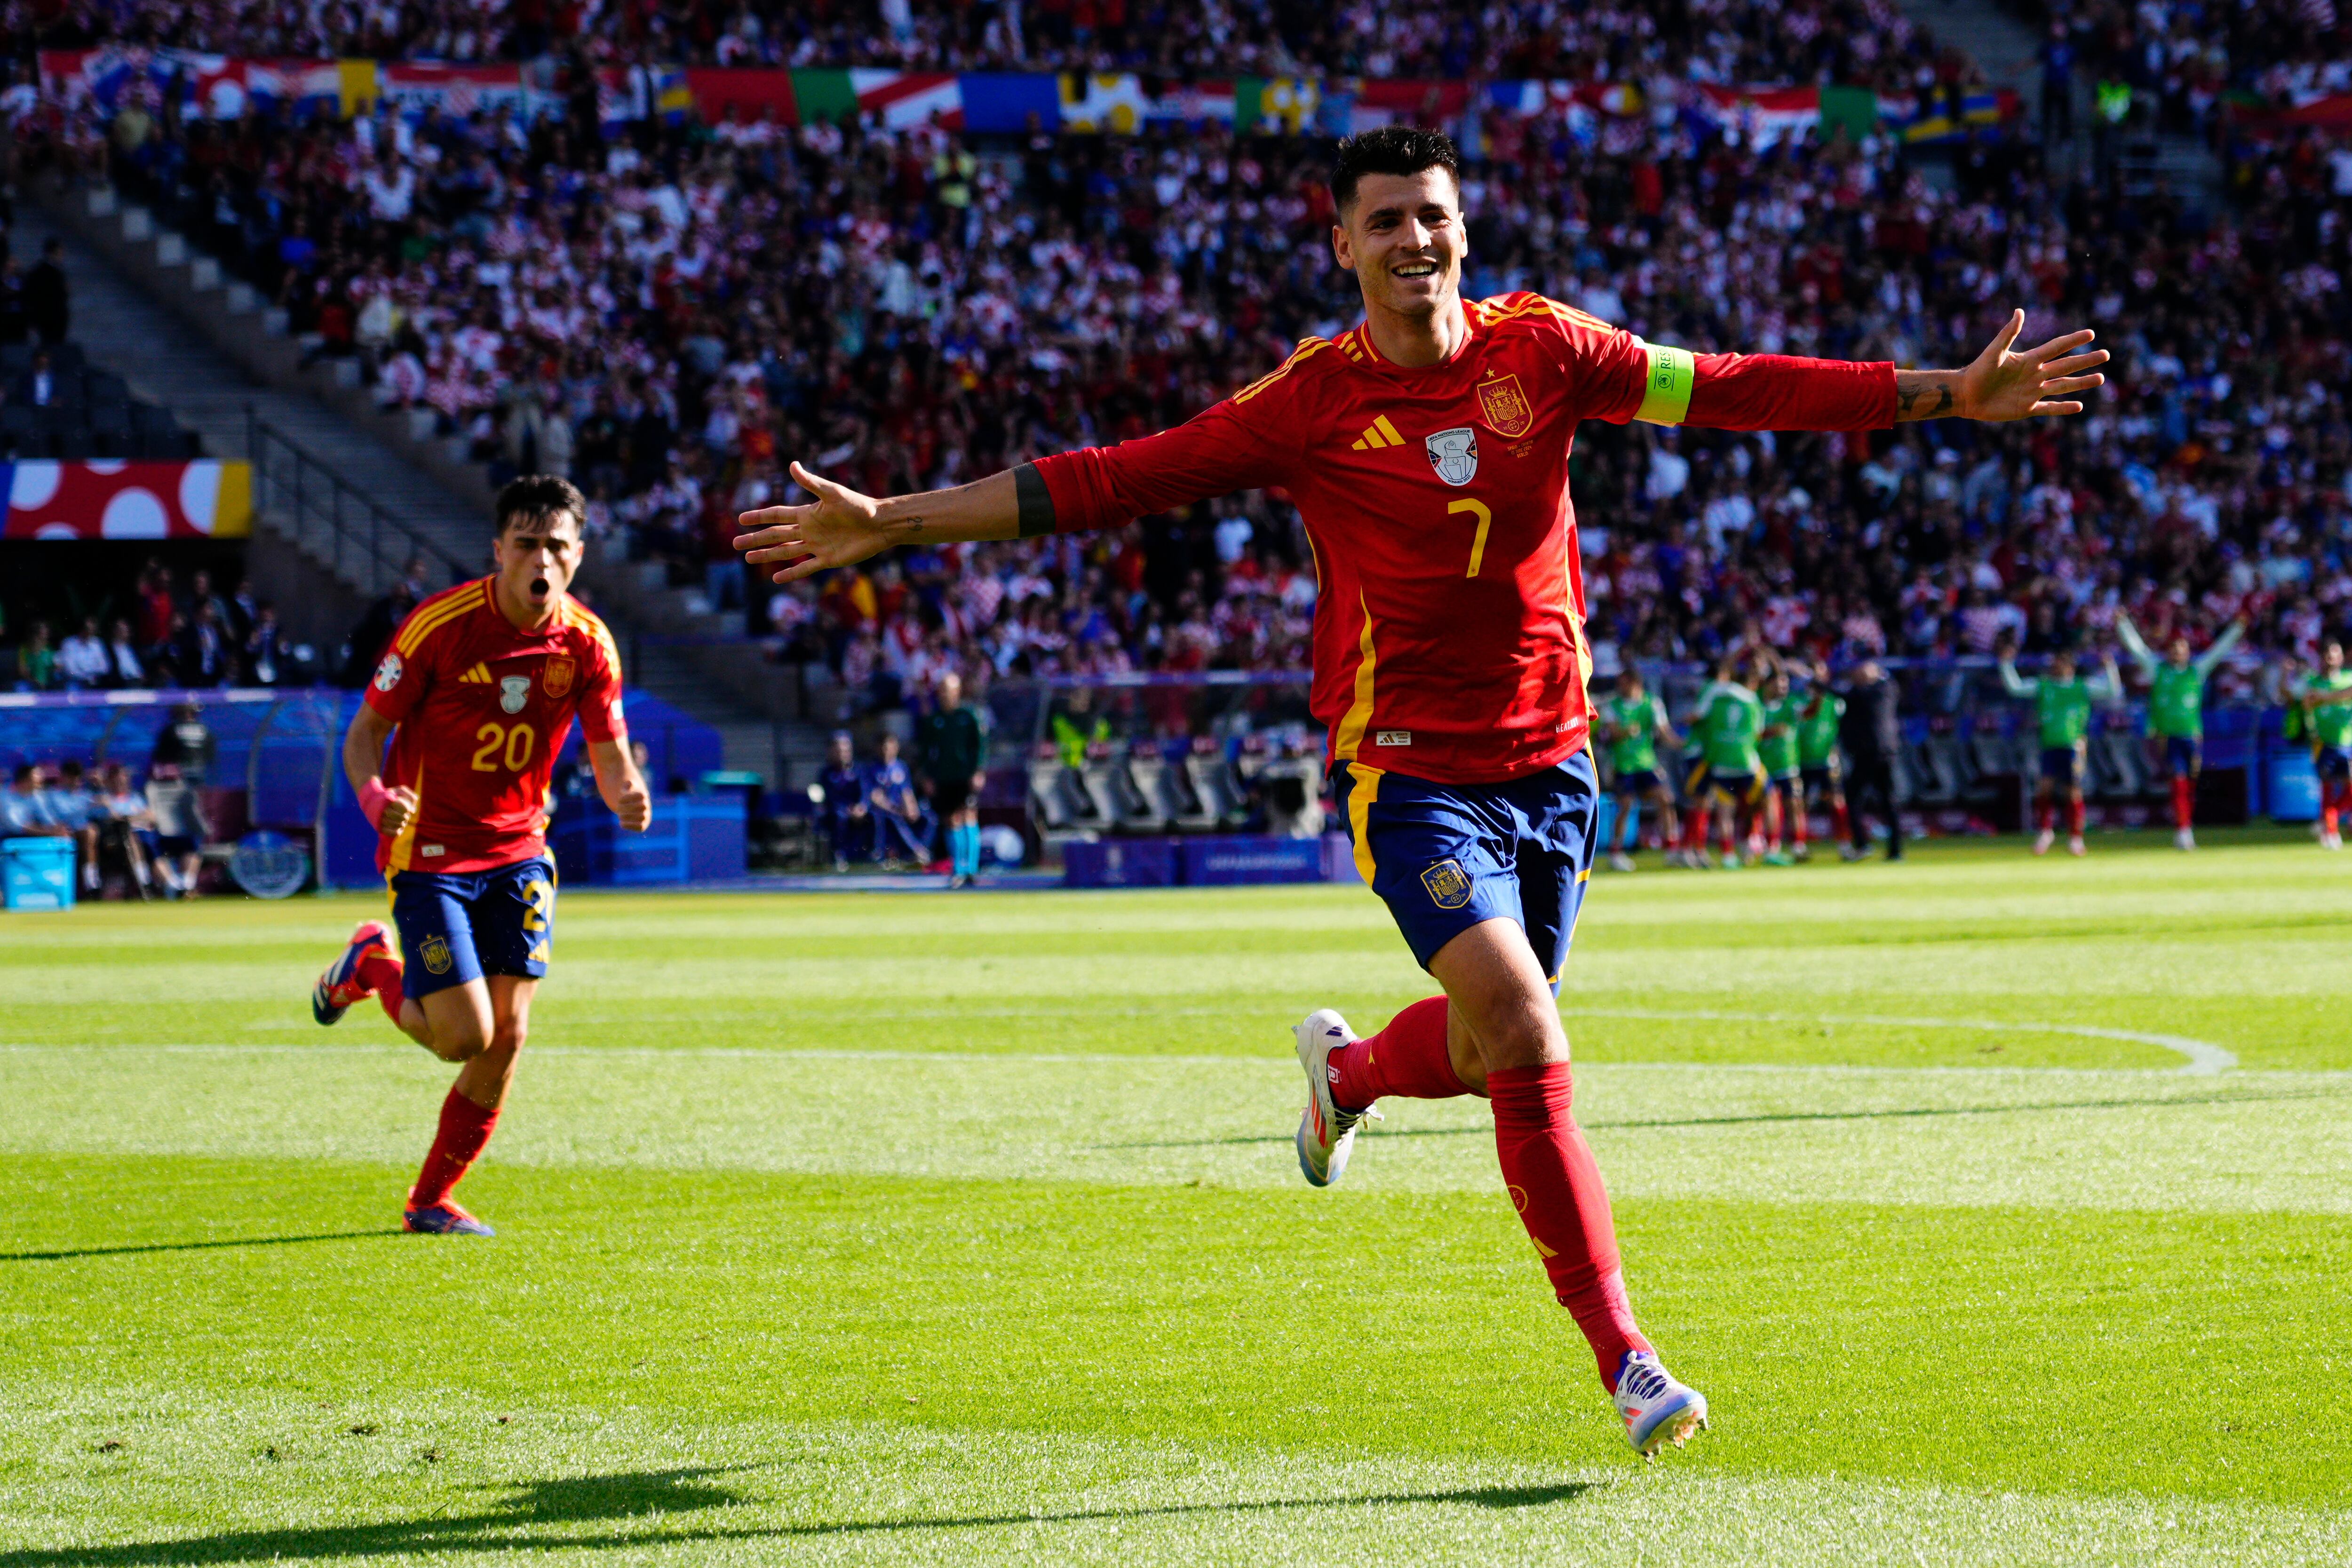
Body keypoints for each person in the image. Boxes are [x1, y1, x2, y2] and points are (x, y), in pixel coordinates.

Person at [733, 125, 2105, 1458]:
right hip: (1406, 769)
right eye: (1382, 219)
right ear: (1341, 244)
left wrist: (1944, 390)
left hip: (1552, 760)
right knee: (1525, 1025)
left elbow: (1735, 382)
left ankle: (1344, 1071)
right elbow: (1106, 481)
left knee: (1487, 1044)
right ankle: (1625, 1355)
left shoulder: (1547, 351)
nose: (1412, 238)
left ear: (1463, 228)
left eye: (1429, 214)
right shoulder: (1306, 403)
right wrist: (895, 521)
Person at [308, 476, 651, 1237]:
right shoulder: (441, 626)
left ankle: (431, 1198)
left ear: (579, 555)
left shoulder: (589, 643)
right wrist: (373, 801)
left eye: (556, 545)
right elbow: (365, 733)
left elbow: (611, 753)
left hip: (522, 851)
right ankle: (370, 962)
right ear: (498, 550)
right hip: (429, 849)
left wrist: (629, 791)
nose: (542, 558)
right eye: (526, 544)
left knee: (511, 1033)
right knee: (463, 1037)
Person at [2117, 614, 2244, 851]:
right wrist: (2124, 625)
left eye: (2182, 649)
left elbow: (2218, 652)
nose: (2177, 653)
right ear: (2168, 652)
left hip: (2192, 736)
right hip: (2169, 737)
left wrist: (2237, 628)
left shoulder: (2196, 672)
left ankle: (2185, 826)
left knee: (2190, 785)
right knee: (2178, 781)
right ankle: (2183, 830)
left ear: (2187, 652)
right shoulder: (2158, 671)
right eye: (2174, 649)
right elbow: (2138, 650)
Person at [1999, 641, 2121, 856]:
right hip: (2049, 746)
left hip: (2074, 746)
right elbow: (2015, 688)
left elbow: (2112, 690)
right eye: (2054, 664)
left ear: (2070, 666)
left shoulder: (2082, 687)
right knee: (2044, 788)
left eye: (2060, 664)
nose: (2055, 668)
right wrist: (2006, 663)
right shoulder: (2044, 686)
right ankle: (2046, 831)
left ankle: (2076, 837)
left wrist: (2110, 667)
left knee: (2073, 792)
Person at [1597, 667, 1681, 872]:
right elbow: (1612, 733)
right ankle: (1616, 852)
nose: (1620, 686)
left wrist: (1681, 744)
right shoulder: (1613, 706)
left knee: (1666, 799)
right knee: (1625, 805)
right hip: (1623, 765)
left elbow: (1664, 731)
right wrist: (1626, 731)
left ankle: (1672, 849)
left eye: (1624, 682)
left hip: (1646, 763)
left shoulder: (1652, 703)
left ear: (1635, 683)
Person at [1692, 654, 1770, 869]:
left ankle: (1728, 854)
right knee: (1767, 797)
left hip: (1720, 760)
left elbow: (1699, 716)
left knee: (1725, 810)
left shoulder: (1716, 694)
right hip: (1746, 761)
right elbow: (1758, 733)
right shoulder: (1754, 701)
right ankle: (1753, 840)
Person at [916, 671, 990, 886]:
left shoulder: (969, 716)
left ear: (957, 692)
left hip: (965, 778)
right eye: (942, 691)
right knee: (950, 820)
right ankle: (958, 869)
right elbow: (926, 751)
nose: (945, 695)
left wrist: (978, 771)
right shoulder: (935, 720)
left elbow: (980, 746)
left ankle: (972, 870)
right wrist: (927, 776)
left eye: (949, 691)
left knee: (968, 816)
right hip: (944, 777)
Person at [1839, 659, 1905, 861]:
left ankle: (1869, 845)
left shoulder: (1883, 689)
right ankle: (1887, 849)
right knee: (1880, 800)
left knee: (1864, 797)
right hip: (1874, 753)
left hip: (1876, 753)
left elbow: (1853, 698)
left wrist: (1815, 682)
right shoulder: (1866, 691)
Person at [147, 701, 214, 895]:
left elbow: (160, 755)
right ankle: (181, 885)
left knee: (191, 839)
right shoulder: (205, 730)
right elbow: (210, 757)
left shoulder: (172, 730)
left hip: (184, 790)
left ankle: (185, 885)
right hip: (194, 785)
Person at [2294, 638, 2352, 850]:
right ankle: (2331, 832)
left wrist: (2326, 698)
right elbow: (2304, 700)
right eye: (2328, 654)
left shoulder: (2348, 677)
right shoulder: (2314, 682)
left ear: (2342, 656)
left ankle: (2329, 820)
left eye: (2336, 653)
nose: (2332, 658)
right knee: (2327, 790)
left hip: (2348, 743)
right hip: (2324, 744)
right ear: (2321, 658)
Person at [1794, 660, 1849, 857]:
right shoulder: (1798, 700)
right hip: (1802, 761)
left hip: (1827, 761)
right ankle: (1799, 846)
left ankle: (1845, 845)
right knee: (1801, 803)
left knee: (1835, 801)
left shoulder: (1835, 702)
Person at [1756, 664, 1803, 865]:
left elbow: (1809, 712)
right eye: (1779, 684)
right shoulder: (1756, 704)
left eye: (1786, 684)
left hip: (1788, 764)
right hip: (1762, 765)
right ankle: (1768, 846)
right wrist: (1769, 732)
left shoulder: (1792, 704)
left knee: (1794, 803)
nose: (1783, 689)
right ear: (1768, 685)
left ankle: (1798, 845)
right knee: (1763, 806)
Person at [863, 732, 931, 867]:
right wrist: (895, 809)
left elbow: (907, 791)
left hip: (900, 809)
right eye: (884, 748)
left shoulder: (901, 767)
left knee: (930, 818)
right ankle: (916, 851)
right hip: (885, 810)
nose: (887, 752)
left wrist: (912, 808)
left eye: (891, 748)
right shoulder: (871, 769)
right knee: (891, 819)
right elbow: (876, 797)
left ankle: (920, 851)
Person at [41, 758, 102, 891]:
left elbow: (102, 813)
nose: (76, 781)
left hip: (82, 835)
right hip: (61, 832)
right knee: (87, 833)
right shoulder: (53, 795)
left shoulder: (86, 795)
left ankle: (92, 881)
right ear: (64, 777)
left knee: (91, 832)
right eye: (72, 777)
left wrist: (100, 790)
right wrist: (89, 806)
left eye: (78, 777)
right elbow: (62, 815)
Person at [814, 730, 868, 870]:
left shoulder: (859, 770)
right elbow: (827, 797)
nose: (842, 754)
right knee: (838, 817)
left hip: (858, 812)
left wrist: (861, 807)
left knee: (877, 816)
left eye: (845, 751)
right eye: (838, 751)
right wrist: (847, 809)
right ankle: (839, 855)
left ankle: (876, 855)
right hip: (837, 811)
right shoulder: (826, 774)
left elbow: (865, 792)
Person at [24, 237, 68, 345]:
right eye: (60, 252)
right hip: (48, 317)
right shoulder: (41, 272)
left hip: (55, 317)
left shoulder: (55, 271)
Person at [58, 616, 108, 690]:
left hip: (96, 681)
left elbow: (105, 667)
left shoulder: (97, 644)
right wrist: (87, 676)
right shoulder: (69, 644)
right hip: (75, 682)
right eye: (88, 629)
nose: (91, 632)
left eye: (93, 629)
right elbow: (70, 670)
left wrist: (92, 675)